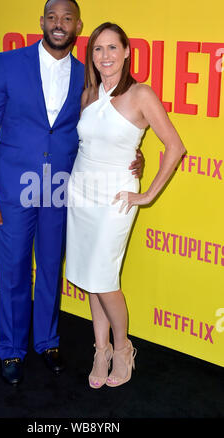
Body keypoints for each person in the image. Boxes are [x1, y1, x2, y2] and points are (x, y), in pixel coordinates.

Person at [0, 0, 144, 386]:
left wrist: (137, 157)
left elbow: (108, 130)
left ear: (78, 27)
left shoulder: (89, 76)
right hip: (13, 188)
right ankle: (11, 349)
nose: (60, 23)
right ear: (42, 21)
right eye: (53, 16)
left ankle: (47, 342)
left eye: (68, 18)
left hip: (62, 190)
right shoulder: (8, 64)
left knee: (51, 267)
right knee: (13, 270)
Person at [65, 22, 186, 389]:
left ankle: (123, 347)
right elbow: (91, 143)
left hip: (116, 197)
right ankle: (100, 349)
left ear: (127, 52)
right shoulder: (89, 94)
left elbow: (175, 147)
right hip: (80, 192)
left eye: (112, 48)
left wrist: (147, 194)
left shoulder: (141, 94)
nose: (105, 56)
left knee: (104, 277)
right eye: (98, 49)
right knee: (89, 276)